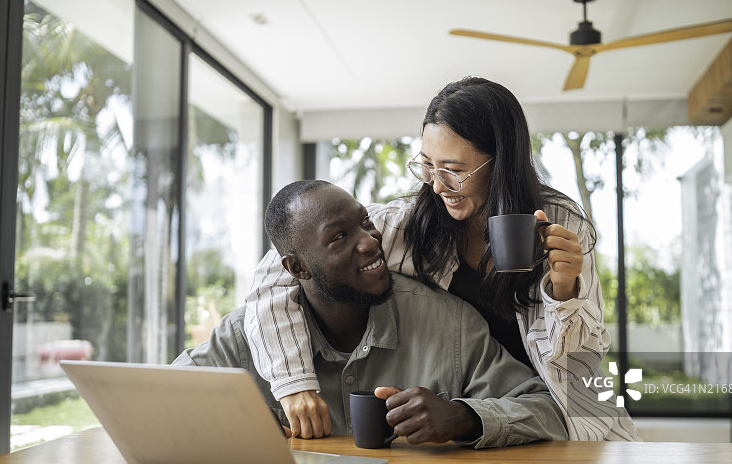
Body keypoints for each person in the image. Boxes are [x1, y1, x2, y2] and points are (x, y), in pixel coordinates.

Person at [245, 76, 641, 441]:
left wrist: (565, 291)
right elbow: (277, 272)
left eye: (453, 170)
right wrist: (294, 383)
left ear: (500, 161)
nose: (436, 185)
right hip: (482, 415)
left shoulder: (558, 220)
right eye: (427, 165)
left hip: (567, 412)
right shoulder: (405, 224)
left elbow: (581, 360)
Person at [174, 180, 568, 447]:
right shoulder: (245, 337)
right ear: (296, 268)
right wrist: (235, 428)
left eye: (365, 223)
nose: (370, 242)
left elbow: (546, 411)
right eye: (340, 236)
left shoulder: (449, 325)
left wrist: (463, 417)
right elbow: (162, 401)